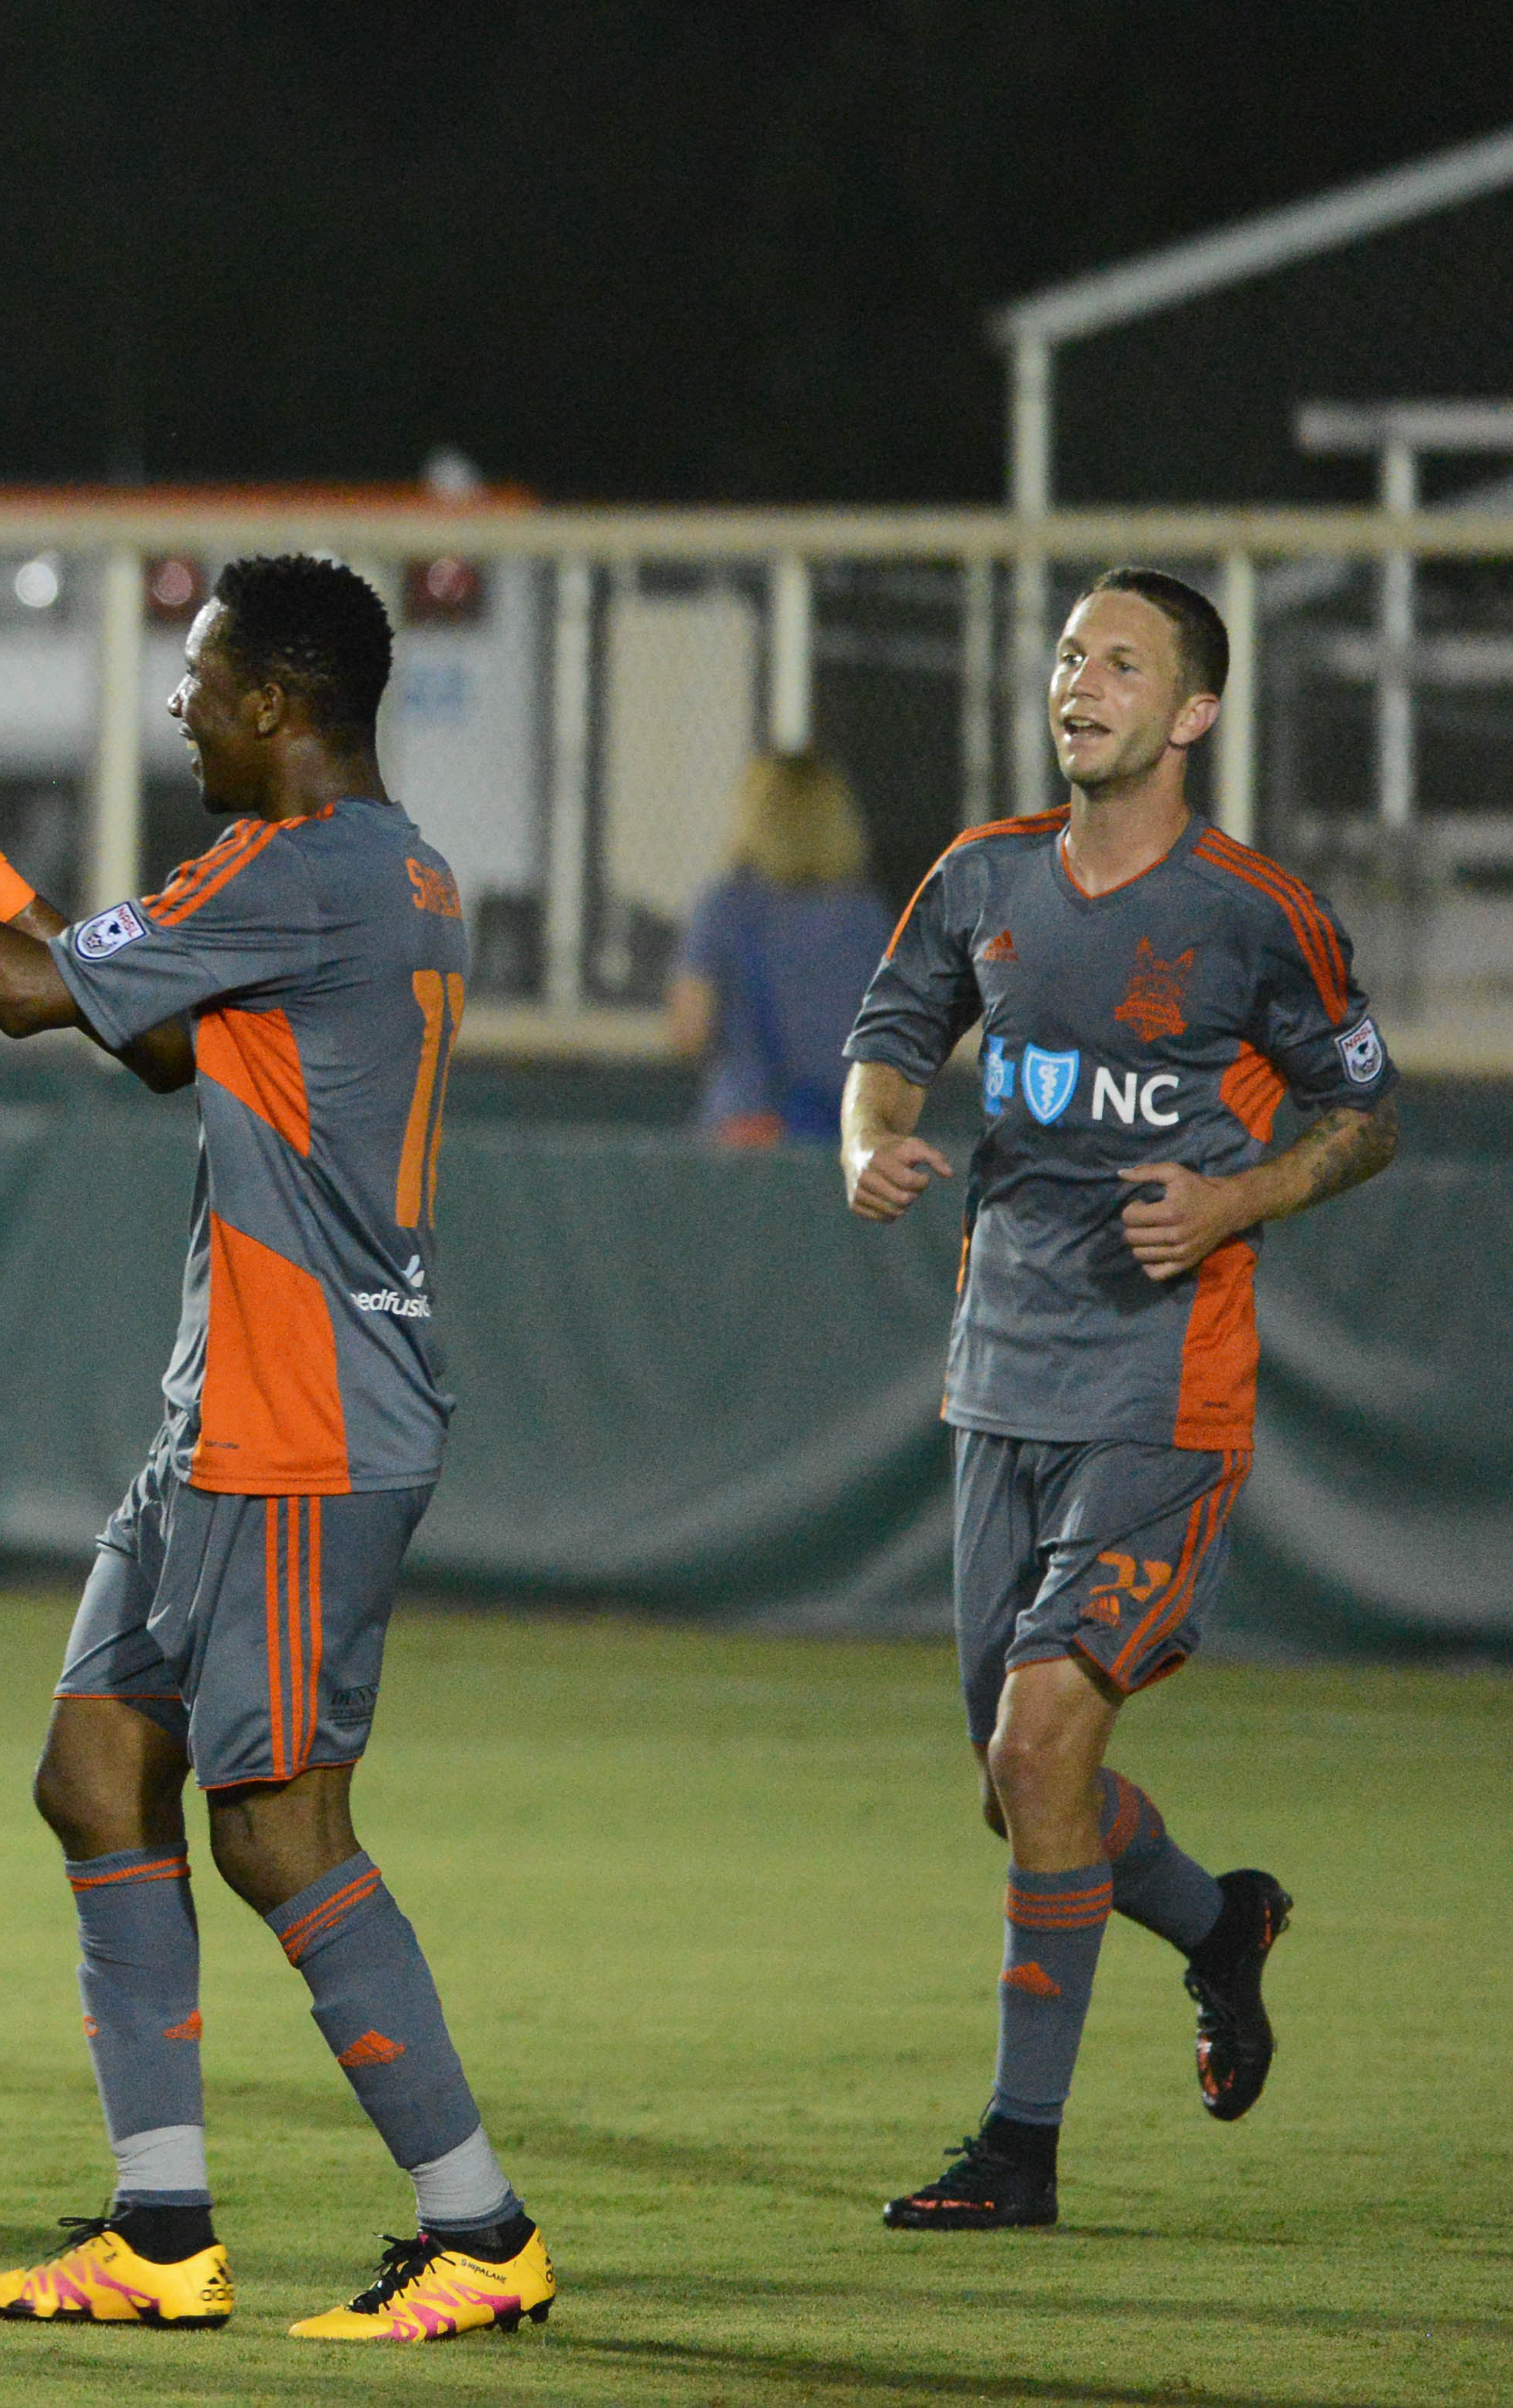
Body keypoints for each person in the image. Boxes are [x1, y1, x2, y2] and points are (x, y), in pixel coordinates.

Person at [0, 556, 553, 2343]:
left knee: (278, 1827)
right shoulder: (379, 872)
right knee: (92, 1772)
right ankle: (157, 2231)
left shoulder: (300, 872)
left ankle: (481, 2227)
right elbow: (156, 1044)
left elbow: (9, 993)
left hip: (305, 1420)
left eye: (203, 679)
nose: (179, 707)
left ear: (281, 705)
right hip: (223, 1411)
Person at [843, 567, 1396, 2231]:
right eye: (1069, 653)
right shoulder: (979, 876)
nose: (1079, 681)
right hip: (994, 1376)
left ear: (1191, 712)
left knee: (1039, 1739)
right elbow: (887, 1032)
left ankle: (1017, 2149)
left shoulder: (1249, 913)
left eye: (1121, 661)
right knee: (1021, 1784)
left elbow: (1361, 1115)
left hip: (1163, 1396)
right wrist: (868, 1138)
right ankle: (1216, 1921)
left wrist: (1234, 1201)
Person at [669, 751, 894, 1147]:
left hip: (748, 1130)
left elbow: (690, 1030)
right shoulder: (867, 917)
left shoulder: (728, 907)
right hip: (846, 1134)